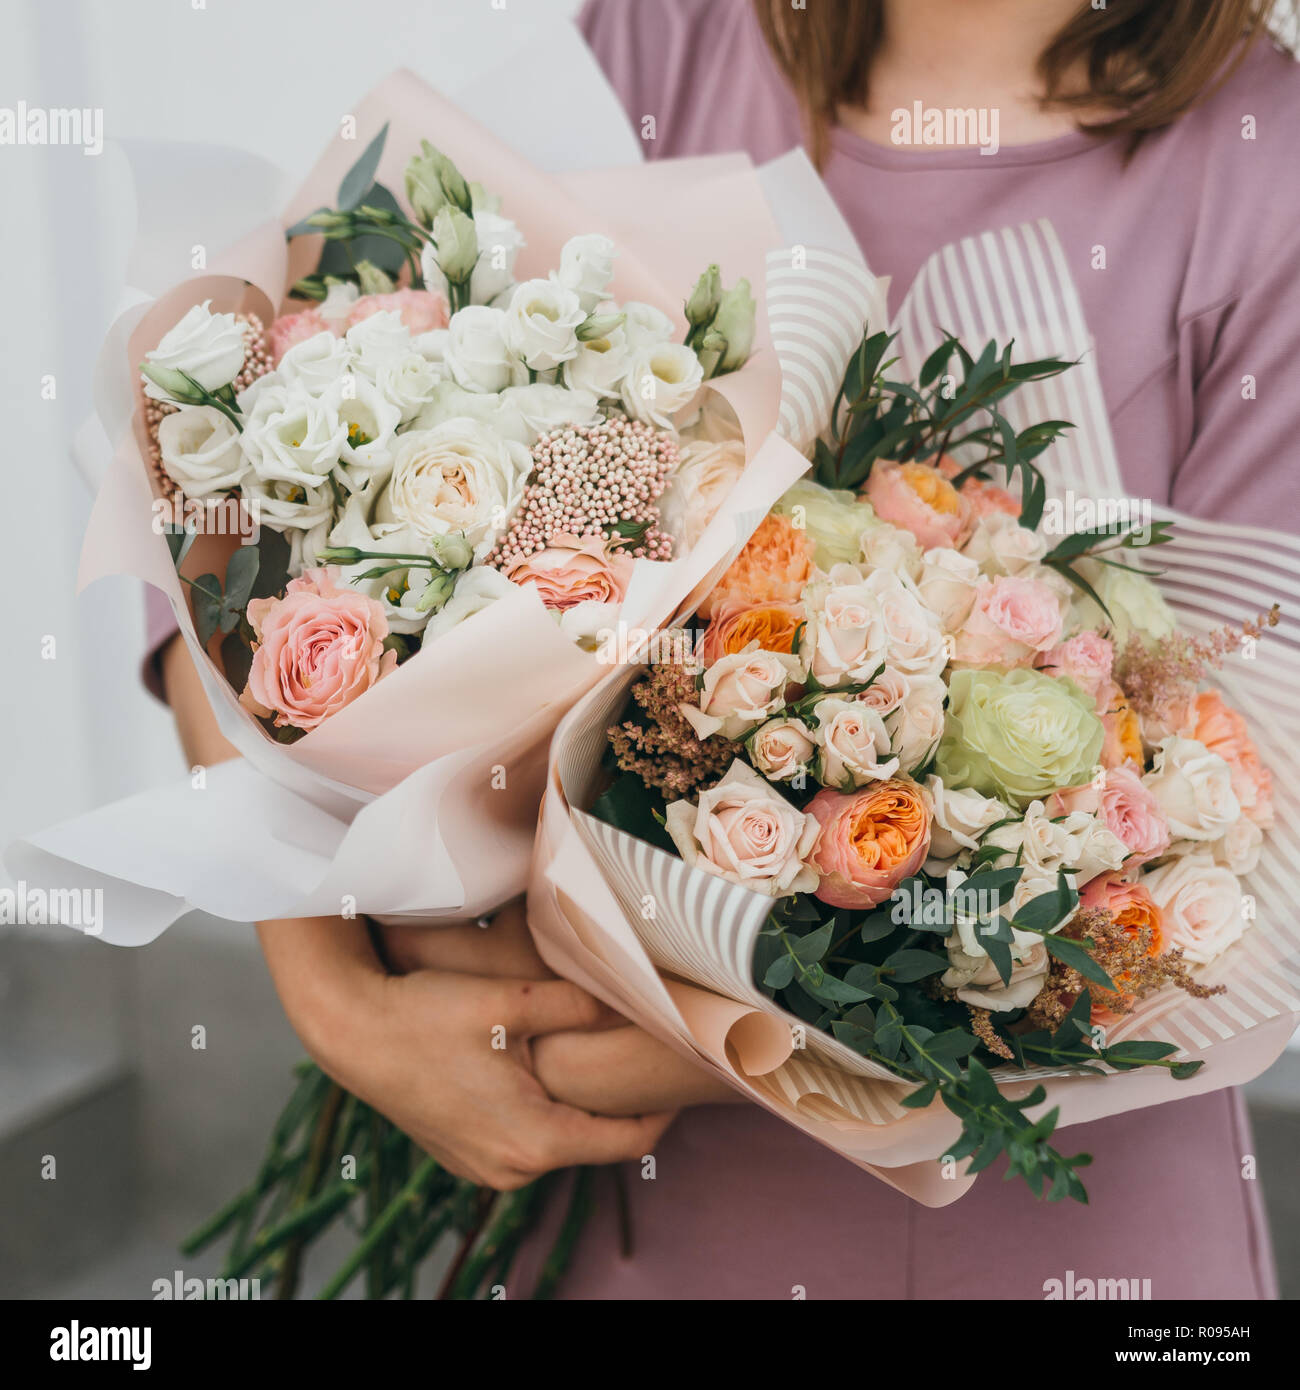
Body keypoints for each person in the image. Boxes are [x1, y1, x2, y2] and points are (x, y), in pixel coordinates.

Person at [146, 0, 1298, 1297]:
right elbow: (238, 559)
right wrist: (341, 1003)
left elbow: (1245, 822)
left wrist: (608, 1037)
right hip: (595, 1211)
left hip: (1050, 1240)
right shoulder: (664, 36)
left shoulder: (1264, 168)